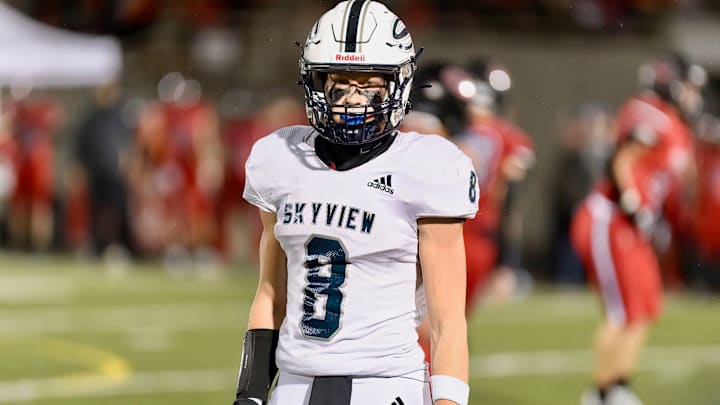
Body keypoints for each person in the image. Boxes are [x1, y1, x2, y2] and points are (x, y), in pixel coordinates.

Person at [231, 2, 478, 405]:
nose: (352, 100)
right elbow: (271, 294)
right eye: (340, 84)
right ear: (316, 83)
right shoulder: (279, 159)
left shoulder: (427, 167)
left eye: (369, 85)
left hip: (385, 385)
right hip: (294, 386)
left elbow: (448, 322)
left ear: (397, 85)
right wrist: (250, 395)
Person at [570, 53, 705, 405]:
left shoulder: (677, 127)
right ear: (671, 82)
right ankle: (598, 394)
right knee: (621, 310)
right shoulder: (650, 112)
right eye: (689, 86)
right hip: (614, 217)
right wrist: (635, 206)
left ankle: (618, 387)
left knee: (644, 306)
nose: (693, 95)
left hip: (636, 223)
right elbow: (624, 159)